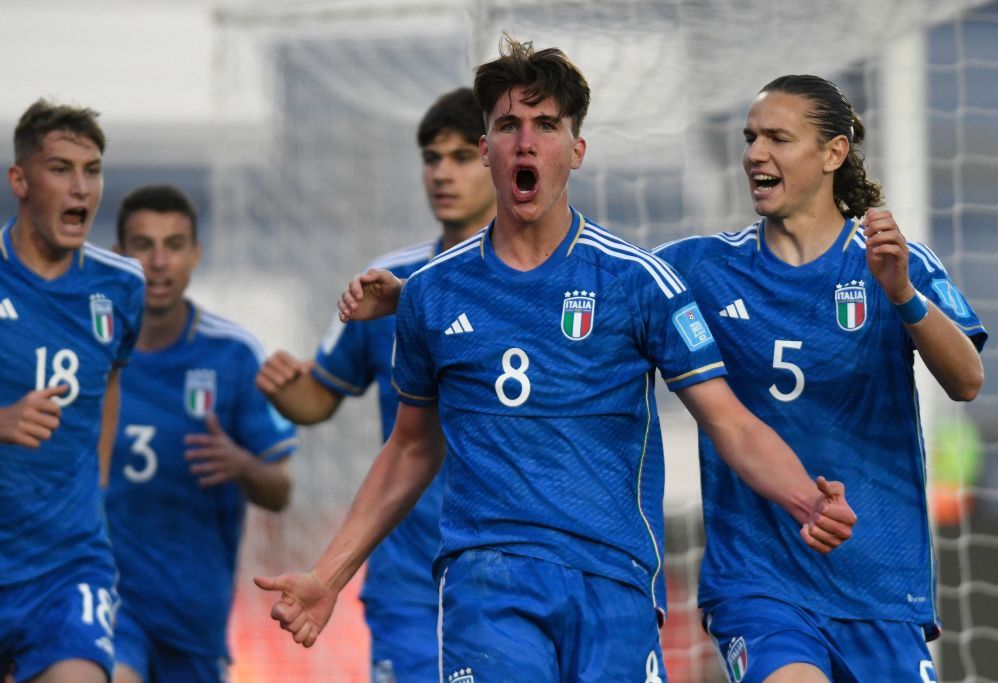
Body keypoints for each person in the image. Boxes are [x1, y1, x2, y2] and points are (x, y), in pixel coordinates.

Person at [256, 38, 856, 682]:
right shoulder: (432, 292)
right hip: (488, 585)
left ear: (576, 150)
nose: (525, 142)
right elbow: (409, 449)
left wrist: (805, 501)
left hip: (615, 585)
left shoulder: (636, 281)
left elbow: (729, 422)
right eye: (508, 125)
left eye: (546, 126)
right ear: (488, 148)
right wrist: (327, 575)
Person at [652, 75, 986, 682]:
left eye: (778, 137)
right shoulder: (700, 268)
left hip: (879, 584)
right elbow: (600, 287)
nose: (755, 153)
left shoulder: (891, 262)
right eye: (751, 137)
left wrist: (903, 294)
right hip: (759, 582)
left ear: (833, 154)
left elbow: (967, 380)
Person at [255, 87, 496, 681]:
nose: (442, 172)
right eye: (431, 158)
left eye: (462, 156)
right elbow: (320, 397)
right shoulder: (384, 283)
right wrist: (287, 390)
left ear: (497, 159)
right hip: (407, 577)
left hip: (503, 571)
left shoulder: (534, 285)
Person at [104, 185, 298, 683]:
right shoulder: (91, 352)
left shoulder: (232, 354)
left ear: (196, 254)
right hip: (110, 600)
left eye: (173, 245)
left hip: (195, 615)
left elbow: (280, 490)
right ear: (120, 254)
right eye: (144, 245)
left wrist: (241, 464)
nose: (159, 261)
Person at [0, 100, 144, 683]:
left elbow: (109, 380)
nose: (81, 187)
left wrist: (97, 483)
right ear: (21, 181)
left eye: (92, 169)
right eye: (60, 169)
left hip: (67, 562)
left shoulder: (121, 286)